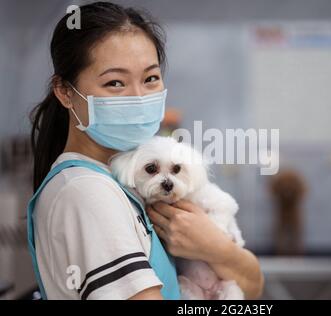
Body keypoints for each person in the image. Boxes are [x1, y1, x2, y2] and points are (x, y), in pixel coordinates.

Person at [28, 1, 263, 300]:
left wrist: (214, 247)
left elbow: (253, 285)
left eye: (150, 78)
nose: (138, 97)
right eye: (115, 82)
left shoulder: (126, 186)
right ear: (64, 92)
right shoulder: (87, 191)